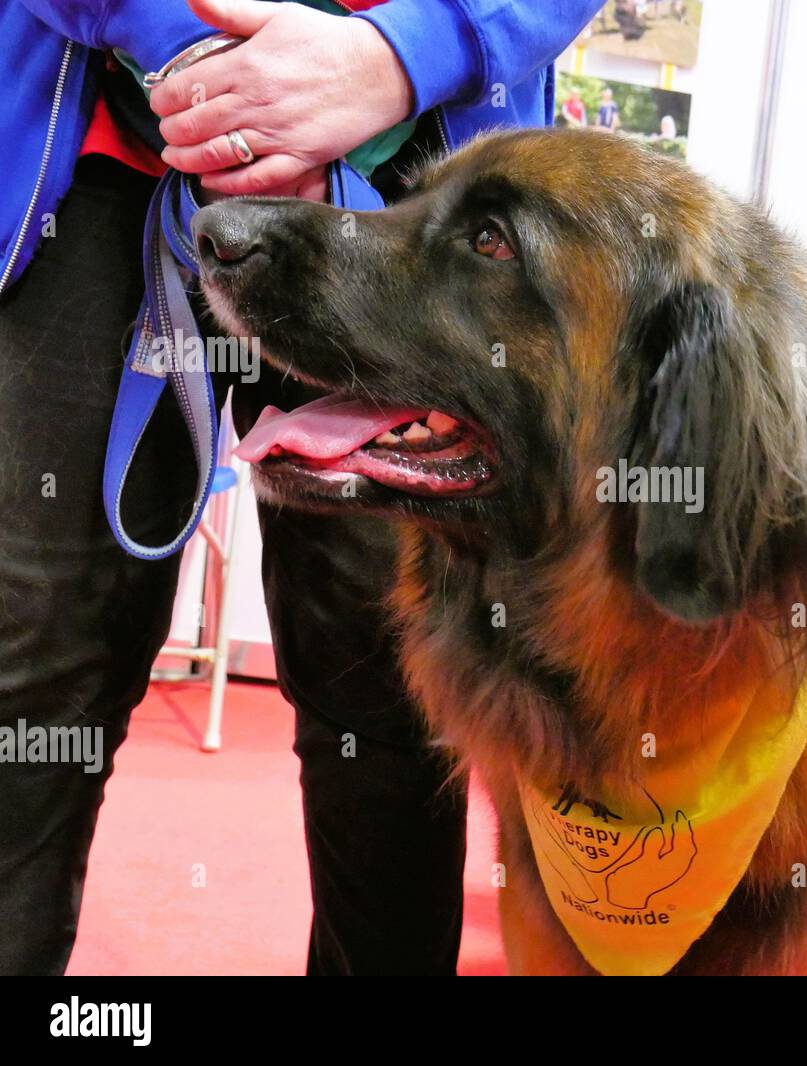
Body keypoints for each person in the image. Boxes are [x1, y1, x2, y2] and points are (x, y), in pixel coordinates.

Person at [0, 0, 602, 976]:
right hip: (89, 165)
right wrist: (193, 63)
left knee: (404, 693)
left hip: (416, 176)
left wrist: (403, 54)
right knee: (32, 668)